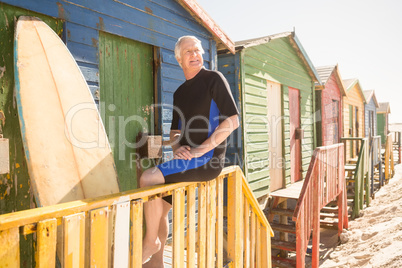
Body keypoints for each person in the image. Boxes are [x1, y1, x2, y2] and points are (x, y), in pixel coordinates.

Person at [140, 35, 239, 267]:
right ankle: (156, 262)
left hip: (208, 160)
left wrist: (198, 150)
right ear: (179, 60)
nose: (194, 55)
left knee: (148, 178)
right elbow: (175, 131)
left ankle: (150, 241)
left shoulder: (214, 79)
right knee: (159, 208)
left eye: (197, 50)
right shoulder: (179, 93)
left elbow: (233, 120)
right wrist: (176, 146)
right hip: (187, 160)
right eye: (188, 52)